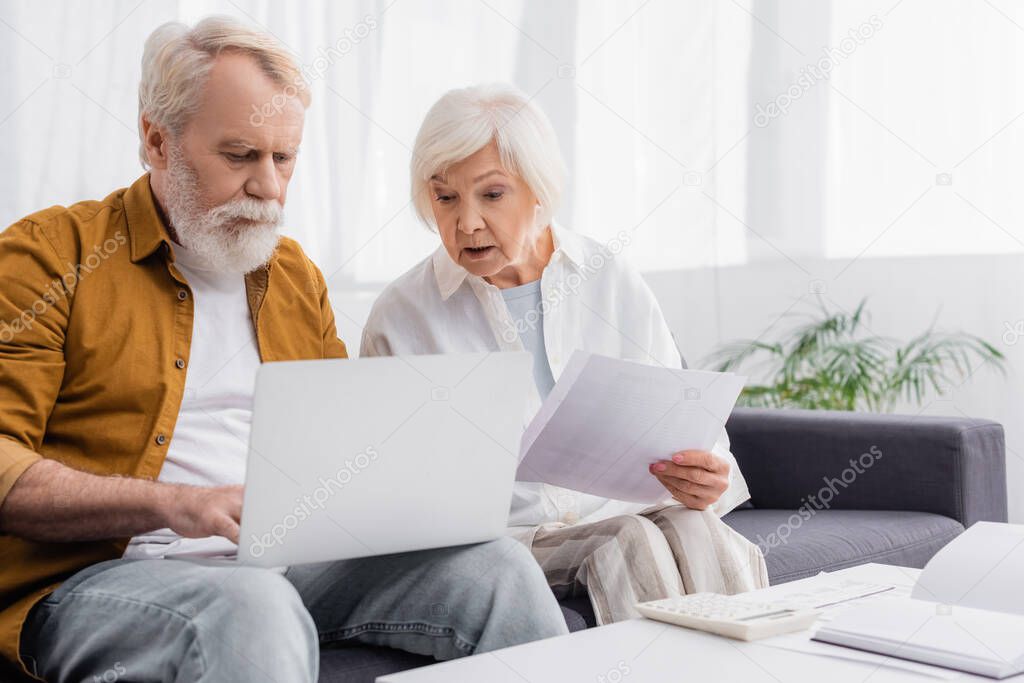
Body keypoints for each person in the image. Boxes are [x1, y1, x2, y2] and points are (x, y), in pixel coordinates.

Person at [0, 22, 567, 683]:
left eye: (284, 158)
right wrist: (172, 503)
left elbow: (344, 444)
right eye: (240, 156)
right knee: (256, 607)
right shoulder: (49, 257)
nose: (269, 186)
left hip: (281, 561)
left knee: (495, 569)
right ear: (156, 139)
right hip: (97, 579)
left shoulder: (294, 275)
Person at [361, 83, 769, 625]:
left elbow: (688, 420)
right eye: (445, 197)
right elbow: (382, 491)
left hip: (630, 512)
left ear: (539, 190)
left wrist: (704, 475)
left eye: (492, 194)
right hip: (507, 544)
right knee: (631, 542)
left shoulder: (607, 278)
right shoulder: (402, 316)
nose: (467, 223)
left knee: (700, 530)